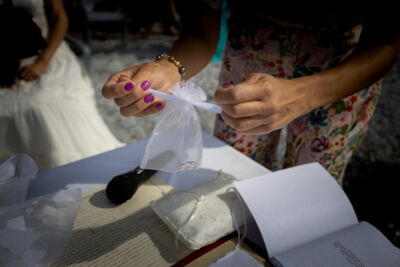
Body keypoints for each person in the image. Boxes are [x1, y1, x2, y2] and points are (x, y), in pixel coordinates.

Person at [101, 1, 399, 183]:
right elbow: (201, 29)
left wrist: (304, 95)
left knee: (311, 185)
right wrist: (168, 68)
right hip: (249, 57)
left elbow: (386, 44)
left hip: (339, 71)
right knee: (235, 174)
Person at [0, 0, 122, 170]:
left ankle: (63, 168)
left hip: (48, 50)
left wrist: (43, 61)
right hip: (8, 56)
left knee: (43, 102)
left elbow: (59, 18)